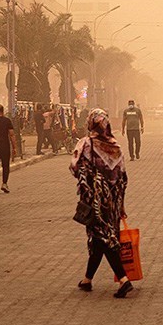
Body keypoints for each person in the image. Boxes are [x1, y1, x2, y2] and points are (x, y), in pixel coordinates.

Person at [71, 109, 133, 299]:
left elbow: (74, 168)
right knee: (101, 238)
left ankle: (124, 280)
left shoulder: (86, 144)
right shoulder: (116, 147)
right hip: (113, 202)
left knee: (104, 238)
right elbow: (123, 178)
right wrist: (120, 205)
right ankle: (87, 279)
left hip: (95, 202)